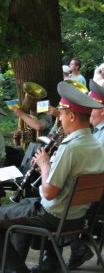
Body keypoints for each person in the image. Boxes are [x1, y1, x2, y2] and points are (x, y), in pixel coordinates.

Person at [0, 81, 104, 273]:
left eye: (61, 114)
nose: (59, 119)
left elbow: (50, 193)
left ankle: (17, 270)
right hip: (77, 216)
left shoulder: (70, 148)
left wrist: (44, 165)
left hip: (54, 216)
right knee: (23, 205)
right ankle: (31, 265)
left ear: (72, 116)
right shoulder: (94, 144)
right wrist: (49, 165)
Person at [64, 79, 104, 270]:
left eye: (92, 108)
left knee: (55, 196)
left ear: (102, 111)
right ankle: (71, 247)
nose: (88, 113)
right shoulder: (96, 132)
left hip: (97, 196)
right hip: (90, 191)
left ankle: (72, 247)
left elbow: (94, 167)